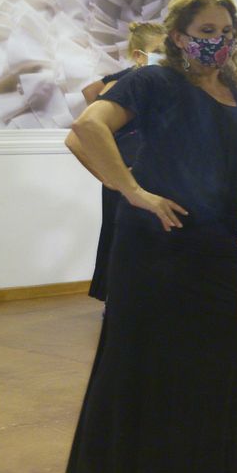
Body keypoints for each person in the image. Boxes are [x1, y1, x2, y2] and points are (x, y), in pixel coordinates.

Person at [57, 0, 237, 473]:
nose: (215, 40)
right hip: (152, 251)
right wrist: (136, 192)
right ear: (177, 37)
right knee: (133, 365)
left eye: (224, 31)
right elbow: (86, 131)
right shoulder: (150, 84)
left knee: (224, 361)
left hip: (214, 254)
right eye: (205, 30)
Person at [79, 21, 165, 301]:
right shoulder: (128, 82)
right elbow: (78, 133)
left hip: (145, 173)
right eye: (159, 51)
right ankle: (117, 301)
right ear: (141, 55)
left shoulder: (158, 85)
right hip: (126, 174)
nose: (166, 57)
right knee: (120, 240)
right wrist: (107, 174)